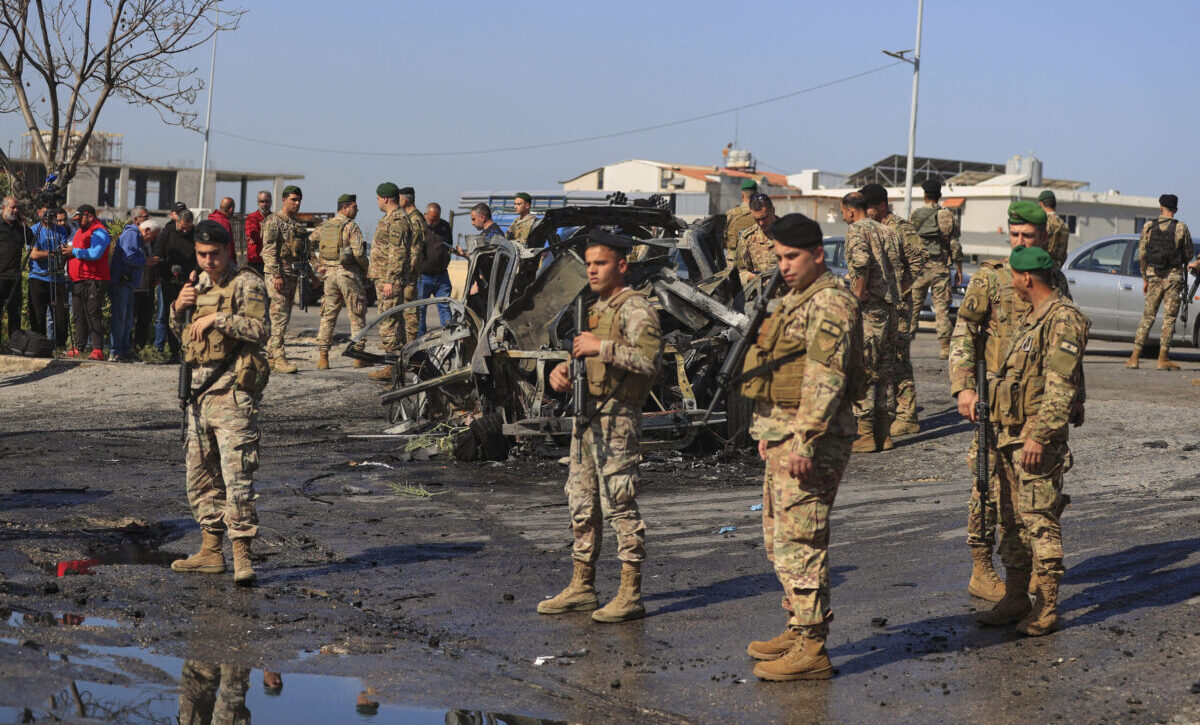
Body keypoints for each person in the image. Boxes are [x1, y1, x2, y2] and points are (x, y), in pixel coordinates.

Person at [741, 213, 862, 681]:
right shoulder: (796, 298)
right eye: (779, 257)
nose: (784, 266)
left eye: (792, 257)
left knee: (801, 539)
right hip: (784, 434)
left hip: (813, 440)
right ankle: (798, 625)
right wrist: (769, 431)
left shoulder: (831, 302)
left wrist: (804, 442)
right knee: (779, 537)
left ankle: (812, 647)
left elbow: (825, 378)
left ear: (816, 255)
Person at [949, 200, 1077, 604]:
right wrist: (964, 387)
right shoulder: (990, 278)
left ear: (1044, 237)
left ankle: (1034, 569)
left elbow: (1068, 345)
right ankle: (982, 566)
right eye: (1015, 234)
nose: (1020, 241)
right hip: (994, 403)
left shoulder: (1053, 278)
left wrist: (1077, 397)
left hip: (1039, 405)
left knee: (1040, 489)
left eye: (1029, 235)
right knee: (988, 487)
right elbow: (964, 333)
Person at [539, 229, 662, 624]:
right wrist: (562, 372)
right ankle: (582, 585)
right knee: (581, 503)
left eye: (601, 263)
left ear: (621, 265)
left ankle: (630, 592)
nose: (592, 270)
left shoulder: (636, 308)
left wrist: (600, 348)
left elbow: (650, 362)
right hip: (586, 416)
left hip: (617, 420)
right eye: (589, 264)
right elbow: (584, 356)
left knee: (619, 502)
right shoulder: (594, 309)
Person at [973, 244, 1088, 636]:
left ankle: (1048, 607)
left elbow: (1060, 386)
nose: (1012, 284)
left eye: (1014, 278)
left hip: (1035, 439)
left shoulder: (1063, 319)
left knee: (1039, 520)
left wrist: (1040, 436)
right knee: (1012, 521)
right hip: (1008, 434)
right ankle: (1016, 597)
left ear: (1026, 278)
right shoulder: (1031, 317)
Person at [169, 220, 270, 585]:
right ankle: (211, 551)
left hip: (232, 392)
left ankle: (242, 555)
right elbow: (184, 337)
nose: (208, 261)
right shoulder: (197, 285)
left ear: (228, 251)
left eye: (214, 254)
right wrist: (177, 307)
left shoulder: (246, 283)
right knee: (200, 476)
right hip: (198, 395)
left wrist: (218, 318)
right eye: (202, 254)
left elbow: (262, 330)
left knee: (236, 476)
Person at [861, 183, 929, 436]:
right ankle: (889, 412)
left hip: (898, 305)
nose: (865, 212)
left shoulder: (900, 227)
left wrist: (901, 290)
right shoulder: (872, 228)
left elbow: (919, 259)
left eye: (868, 207)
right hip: (880, 305)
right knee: (882, 359)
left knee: (899, 358)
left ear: (881, 205)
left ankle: (907, 415)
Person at [841, 192, 904, 453]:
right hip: (890, 309)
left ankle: (865, 434)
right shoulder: (889, 231)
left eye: (843, 212)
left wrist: (857, 296)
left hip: (870, 310)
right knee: (885, 371)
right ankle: (884, 434)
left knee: (864, 367)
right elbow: (903, 268)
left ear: (850, 210)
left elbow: (861, 262)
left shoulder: (856, 230)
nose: (844, 216)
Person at [1127, 194, 1192, 370]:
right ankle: (1163, 358)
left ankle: (1134, 357)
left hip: (1153, 276)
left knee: (1148, 316)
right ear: (1175, 209)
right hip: (1173, 278)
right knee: (1169, 319)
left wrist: (1145, 278)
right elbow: (1188, 254)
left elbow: (1142, 254)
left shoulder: (1149, 226)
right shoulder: (1181, 227)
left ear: (1161, 208)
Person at [313, 194, 369, 370]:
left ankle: (323, 357)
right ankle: (358, 357)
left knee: (328, 316)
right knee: (357, 314)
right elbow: (359, 253)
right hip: (349, 275)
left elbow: (306, 244)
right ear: (345, 208)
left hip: (329, 277)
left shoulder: (325, 226)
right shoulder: (351, 226)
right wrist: (366, 269)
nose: (357, 210)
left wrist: (317, 265)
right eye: (354, 207)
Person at [908, 179, 963, 358]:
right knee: (942, 310)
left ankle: (904, 346)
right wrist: (959, 269)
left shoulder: (915, 215)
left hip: (918, 269)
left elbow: (908, 242)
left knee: (912, 309)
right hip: (940, 268)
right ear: (939, 195)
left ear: (925, 195)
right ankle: (945, 348)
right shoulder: (947, 216)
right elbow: (954, 245)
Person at [261, 185, 308, 374]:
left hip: (291, 275)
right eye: (293, 199)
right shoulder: (274, 221)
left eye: (299, 200)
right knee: (279, 316)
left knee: (283, 316)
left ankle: (271, 356)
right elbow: (269, 250)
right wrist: (276, 274)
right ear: (284, 200)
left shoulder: (295, 224)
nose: (297, 203)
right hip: (278, 276)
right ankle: (279, 357)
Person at [367, 182, 407, 381]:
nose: (377, 202)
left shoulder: (397, 220)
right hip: (383, 278)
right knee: (394, 322)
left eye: (377, 198)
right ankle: (399, 364)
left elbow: (398, 252)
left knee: (388, 323)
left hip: (388, 280)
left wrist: (390, 280)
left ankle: (392, 368)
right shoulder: (389, 218)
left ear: (385, 198)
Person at [63, 204, 112, 360]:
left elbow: (96, 253)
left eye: (80, 219)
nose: (78, 222)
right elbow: (76, 249)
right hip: (78, 280)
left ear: (90, 217)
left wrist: (74, 251)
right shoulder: (80, 231)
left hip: (94, 279)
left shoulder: (100, 232)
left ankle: (97, 349)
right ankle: (79, 347)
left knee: (93, 313)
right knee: (78, 314)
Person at [154, 208, 197, 362]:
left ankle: (189, 352)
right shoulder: (166, 233)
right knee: (170, 316)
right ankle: (173, 352)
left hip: (189, 282)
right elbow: (158, 254)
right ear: (177, 221)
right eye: (183, 228)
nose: (185, 231)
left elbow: (201, 256)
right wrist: (162, 274)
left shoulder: (195, 234)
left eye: (188, 228)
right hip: (169, 281)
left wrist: (195, 270)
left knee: (189, 316)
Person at [108, 206, 149, 361]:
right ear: (136, 219)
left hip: (128, 283)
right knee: (121, 317)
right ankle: (116, 351)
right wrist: (146, 261)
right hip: (122, 282)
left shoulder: (136, 234)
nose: (147, 219)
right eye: (145, 216)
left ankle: (124, 350)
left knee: (127, 319)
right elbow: (129, 257)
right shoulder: (132, 234)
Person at [27, 206, 72, 348]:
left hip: (57, 278)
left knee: (61, 317)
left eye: (50, 212)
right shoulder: (34, 230)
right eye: (44, 212)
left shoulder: (61, 230)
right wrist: (52, 253)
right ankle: (39, 346)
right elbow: (34, 254)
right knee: (38, 317)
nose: (48, 215)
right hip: (38, 277)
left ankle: (60, 346)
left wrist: (60, 256)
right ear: (39, 213)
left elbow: (65, 251)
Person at [418, 202, 453, 334]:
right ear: (425, 215)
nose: (434, 223)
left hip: (442, 276)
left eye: (436, 219)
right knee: (420, 309)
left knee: (445, 307)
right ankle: (420, 338)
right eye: (431, 220)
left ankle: (449, 336)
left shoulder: (445, 227)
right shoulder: (418, 227)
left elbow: (449, 246)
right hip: (423, 277)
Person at [400, 187, 428, 342]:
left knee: (410, 309)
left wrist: (407, 272)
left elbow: (415, 249)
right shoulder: (409, 217)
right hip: (406, 272)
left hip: (409, 274)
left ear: (405, 200)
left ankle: (411, 342)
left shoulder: (415, 219)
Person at [733, 193, 779, 283]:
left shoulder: (789, 232)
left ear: (773, 211)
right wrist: (752, 277)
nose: (761, 223)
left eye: (764, 218)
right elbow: (739, 271)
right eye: (757, 219)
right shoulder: (748, 238)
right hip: (761, 290)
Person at [0, 196, 28, 341]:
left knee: (15, 314)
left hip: (15, 277)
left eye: (17, 208)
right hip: (1, 276)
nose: (16, 210)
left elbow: (31, 239)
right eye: (13, 207)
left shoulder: (19, 227)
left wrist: (24, 224)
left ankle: (14, 345)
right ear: (3, 208)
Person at [133, 218, 161, 354]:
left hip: (147, 286)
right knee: (129, 319)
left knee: (145, 320)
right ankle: (125, 349)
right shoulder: (132, 237)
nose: (153, 239)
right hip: (134, 287)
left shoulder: (149, 242)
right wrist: (146, 261)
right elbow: (129, 258)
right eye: (153, 235)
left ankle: (139, 348)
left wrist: (156, 276)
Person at [724, 179, 759, 254]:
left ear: (742, 195)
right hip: (757, 257)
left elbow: (721, 237)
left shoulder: (731, 213)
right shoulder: (762, 213)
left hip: (733, 258)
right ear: (756, 194)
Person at [1039, 190, 1070, 268]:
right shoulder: (1064, 225)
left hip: (1042, 268)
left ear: (1041, 204)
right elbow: (1064, 255)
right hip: (1056, 269)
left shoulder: (1044, 222)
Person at [244, 190, 270, 275]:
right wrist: (271, 239)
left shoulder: (275, 218)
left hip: (271, 261)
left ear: (271, 202)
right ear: (258, 202)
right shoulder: (252, 218)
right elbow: (253, 235)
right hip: (256, 261)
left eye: (267, 201)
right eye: (262, 201)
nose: (264, 204)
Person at [207, 196, 237, 263]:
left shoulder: (211, 219)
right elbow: (228, 246)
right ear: (231, 209)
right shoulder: (224, 223)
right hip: (222, 261)